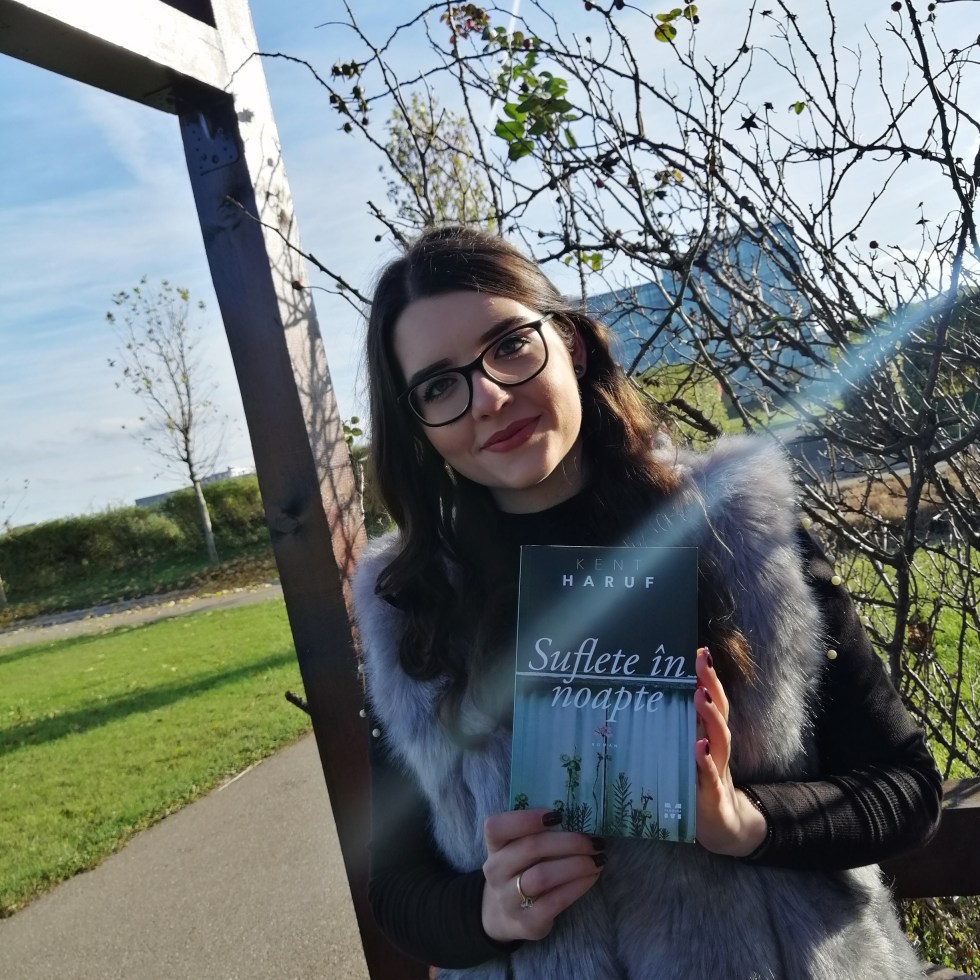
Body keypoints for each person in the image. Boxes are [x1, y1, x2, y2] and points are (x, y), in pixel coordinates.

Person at [351, 225, 942, 979]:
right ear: (417, 424)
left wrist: (747, 822)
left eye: (510, 345)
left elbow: (905, 788)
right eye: (439, 386)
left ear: (571, 344)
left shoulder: (738, 528)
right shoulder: (410, 608)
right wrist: (487, 912)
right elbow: (397, 887)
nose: (489, 398)